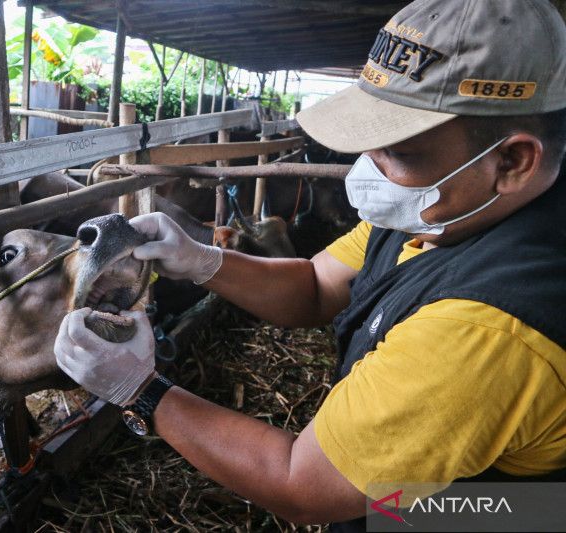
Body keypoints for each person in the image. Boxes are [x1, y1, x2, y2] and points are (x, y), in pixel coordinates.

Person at [55, 0, 566, 529]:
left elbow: (303, 486)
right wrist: (202, 259)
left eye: (401, 153)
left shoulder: (491, 331)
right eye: (370, 146)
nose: (371, 171)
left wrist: (142, 392)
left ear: (512, 161)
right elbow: (319, 285)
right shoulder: (445, 209)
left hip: (468, 515)